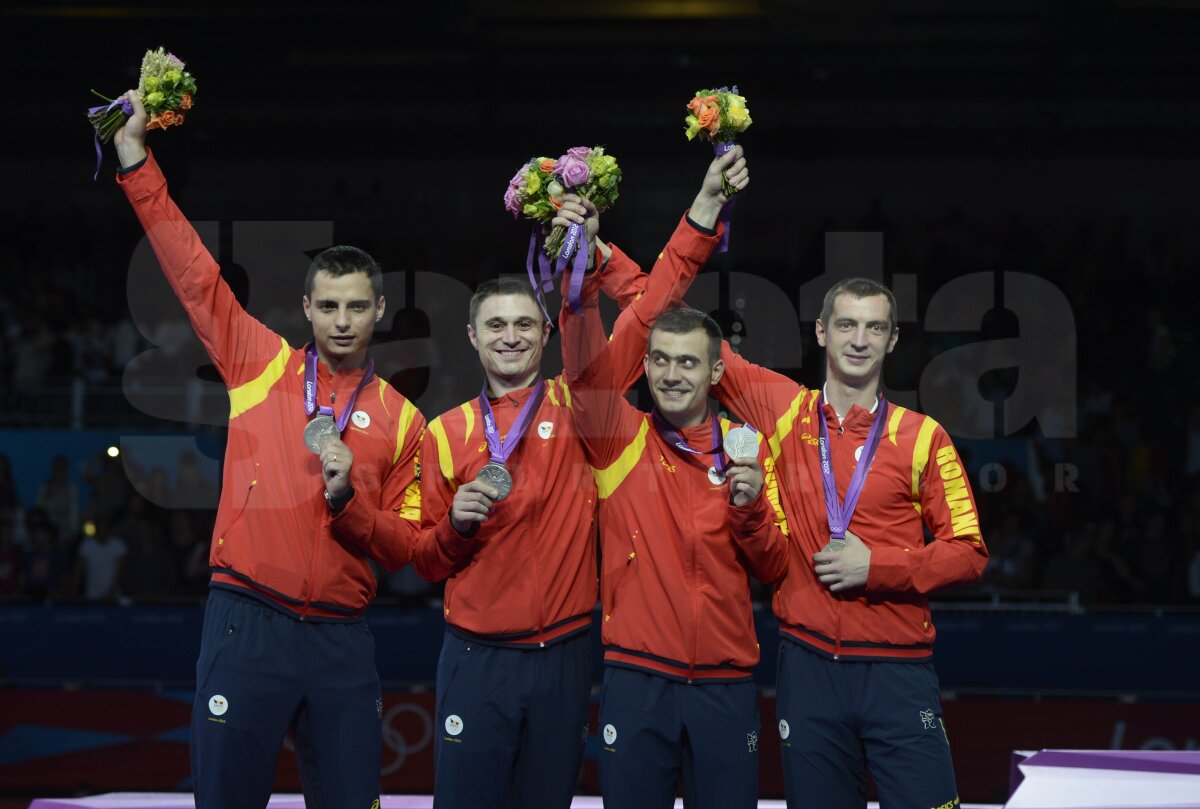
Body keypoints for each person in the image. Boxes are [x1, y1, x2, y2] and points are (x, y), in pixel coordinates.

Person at [403, 148, 746, 809]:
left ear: (547, 334)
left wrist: (698, 211)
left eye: (524, 325)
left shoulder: (585, 406)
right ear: (472, 337)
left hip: (563, 654)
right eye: (496, 325)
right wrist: (454, 525)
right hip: (473, 656)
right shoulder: (441, 432)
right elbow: (421, 559)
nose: (510, 337)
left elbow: (655, 303)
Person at [111, 90, 425, 809]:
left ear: (379, 310)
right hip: (246, 620)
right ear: (308, 308)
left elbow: (407, 547)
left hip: (343, 640)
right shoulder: (260, 365)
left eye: (358, 306)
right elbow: (194, 274)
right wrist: (135, 158)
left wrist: (349, 502)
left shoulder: (405, 421)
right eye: (329, 305)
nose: (343, 321)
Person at [607, 257, 989, 807]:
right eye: (846, 325)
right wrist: (602, 261)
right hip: (807, 670)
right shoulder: (783, 411)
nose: (859, 340)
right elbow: (676, 317)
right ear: (820, 331)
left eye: (875, 327)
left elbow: (970, 553)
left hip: (898, 671)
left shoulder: (923, 437)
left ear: (893, 338)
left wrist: (877, 566)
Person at [559, 266, 787, 807]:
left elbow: (775, 566)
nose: (671, 373)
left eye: (687, 361)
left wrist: (751, 506)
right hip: (638, 681)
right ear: (643, 366)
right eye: (659, 359)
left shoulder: (749, 448)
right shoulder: (619, 438)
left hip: (726, 684)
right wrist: (580, 292)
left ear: (714, 372)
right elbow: (586, 376)